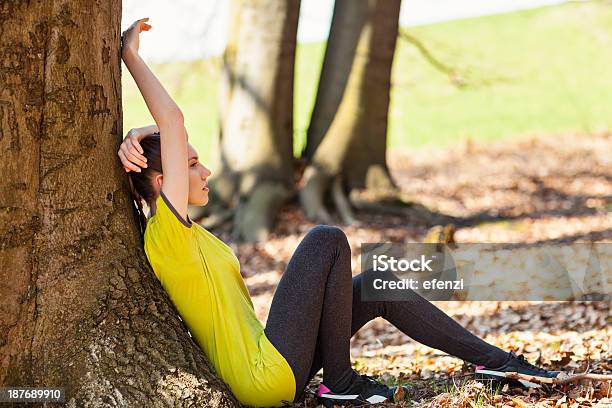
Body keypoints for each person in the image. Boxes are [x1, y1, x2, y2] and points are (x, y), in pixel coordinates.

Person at [119, 19, 559, 408]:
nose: (205, 170)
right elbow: (173, 120)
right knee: (325, 239)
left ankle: (501, 364)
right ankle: (341, 381)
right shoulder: (167, 235)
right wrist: (129, 55)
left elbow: (167, 133)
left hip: (277, 360)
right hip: (263, 377)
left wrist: (141, 133)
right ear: (161, 181)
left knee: (376, 285)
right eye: (191, 164)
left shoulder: (189, 233)